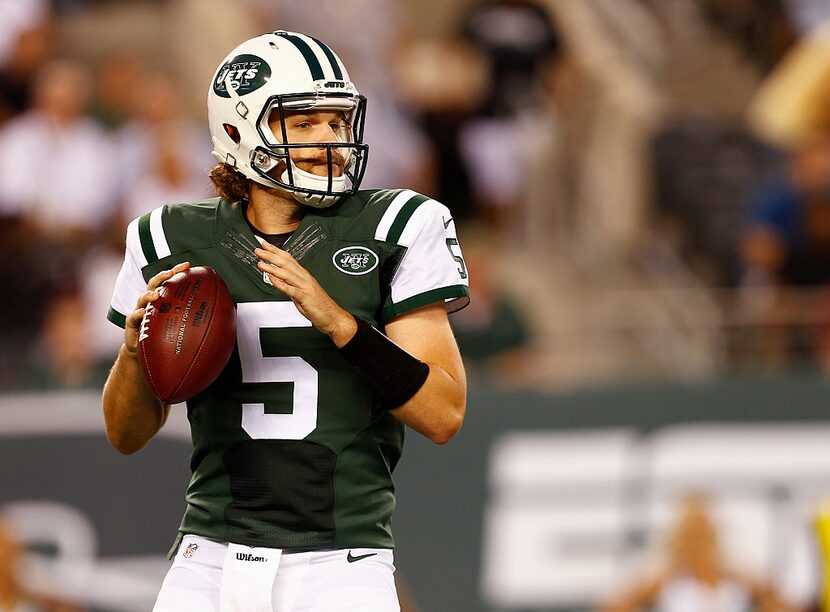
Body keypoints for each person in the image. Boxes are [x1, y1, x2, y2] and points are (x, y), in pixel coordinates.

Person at [102, 30, 469, 611]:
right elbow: (126, 436)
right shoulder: (172, 236)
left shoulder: (398, 224)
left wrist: (343, 326)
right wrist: (132, 352)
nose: (330, 138)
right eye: (304, 123)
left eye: (336, 121)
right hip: (209, 556)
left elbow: (444, 414)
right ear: (238, 132)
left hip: (341, 561)